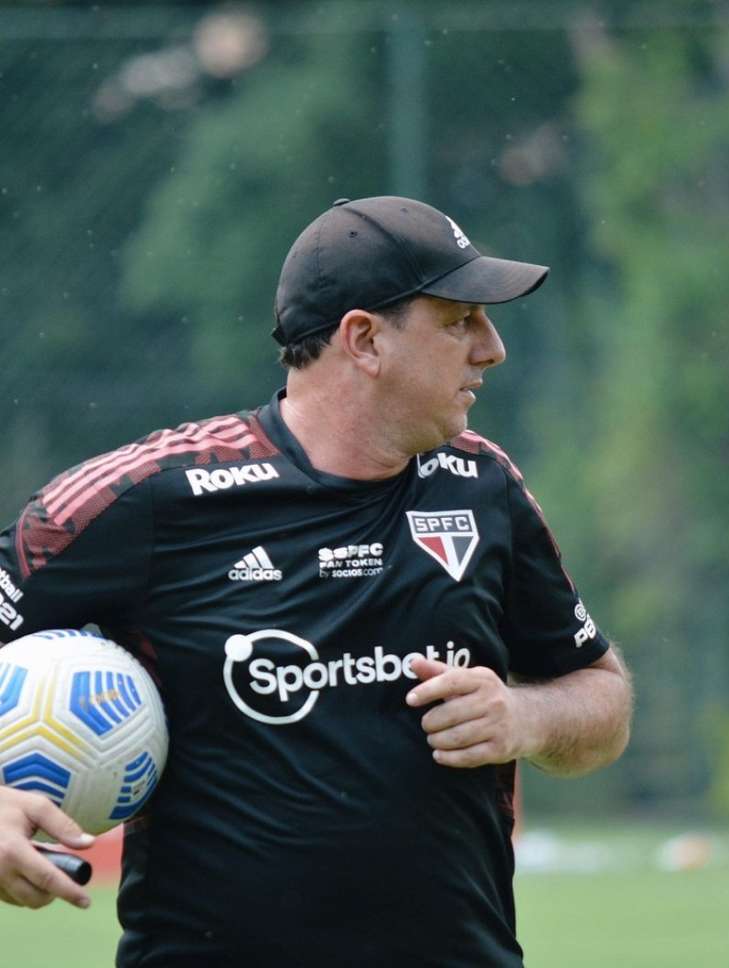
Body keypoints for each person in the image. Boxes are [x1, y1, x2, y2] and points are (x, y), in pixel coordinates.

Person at [0, 196, 631, 967]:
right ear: (364, 340)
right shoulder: (155, 495)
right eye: (460, 320)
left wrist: (525, 718)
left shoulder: (481, 486)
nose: (492, 348)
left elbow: (603, 697)